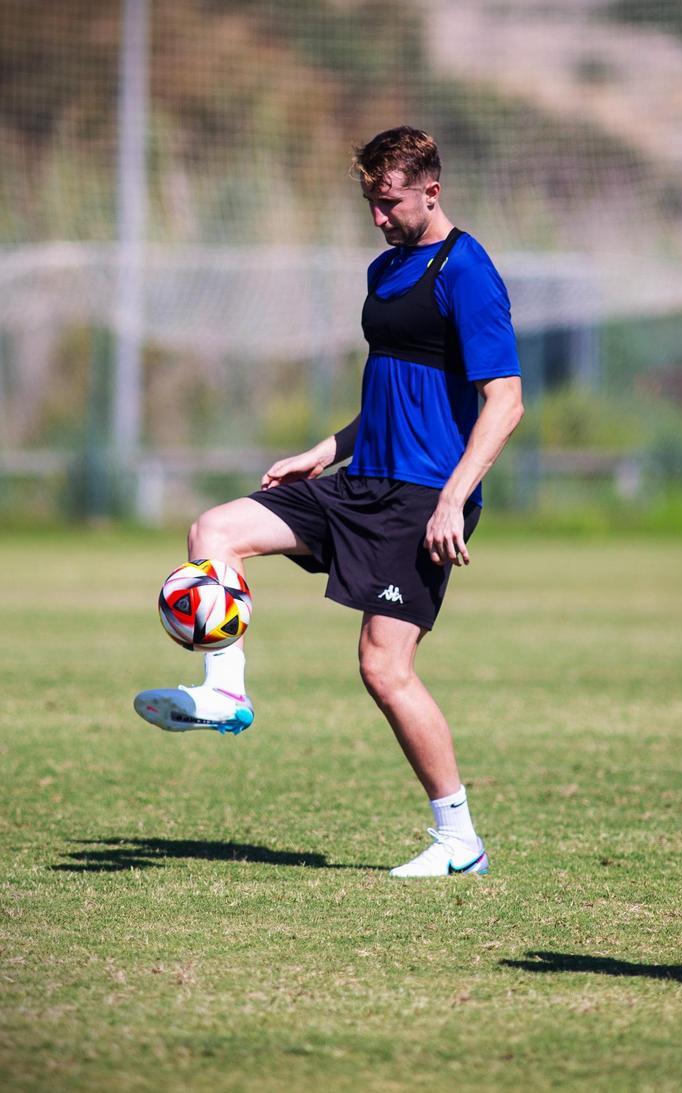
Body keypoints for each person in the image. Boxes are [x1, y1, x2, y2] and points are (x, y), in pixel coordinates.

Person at [134, 127, 524, 879]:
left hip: (421, 497)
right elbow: (397, 389)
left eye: (389, 202)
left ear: (431, 191)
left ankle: (459, 841)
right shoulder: (386, 268)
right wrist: (327, 448)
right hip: (360, 479)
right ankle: (225, 692)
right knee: (214, 529)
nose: (377, 217)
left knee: (383, 668)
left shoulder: (467, 270)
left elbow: (504, 400)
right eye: (369, 202)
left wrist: (453, 500)